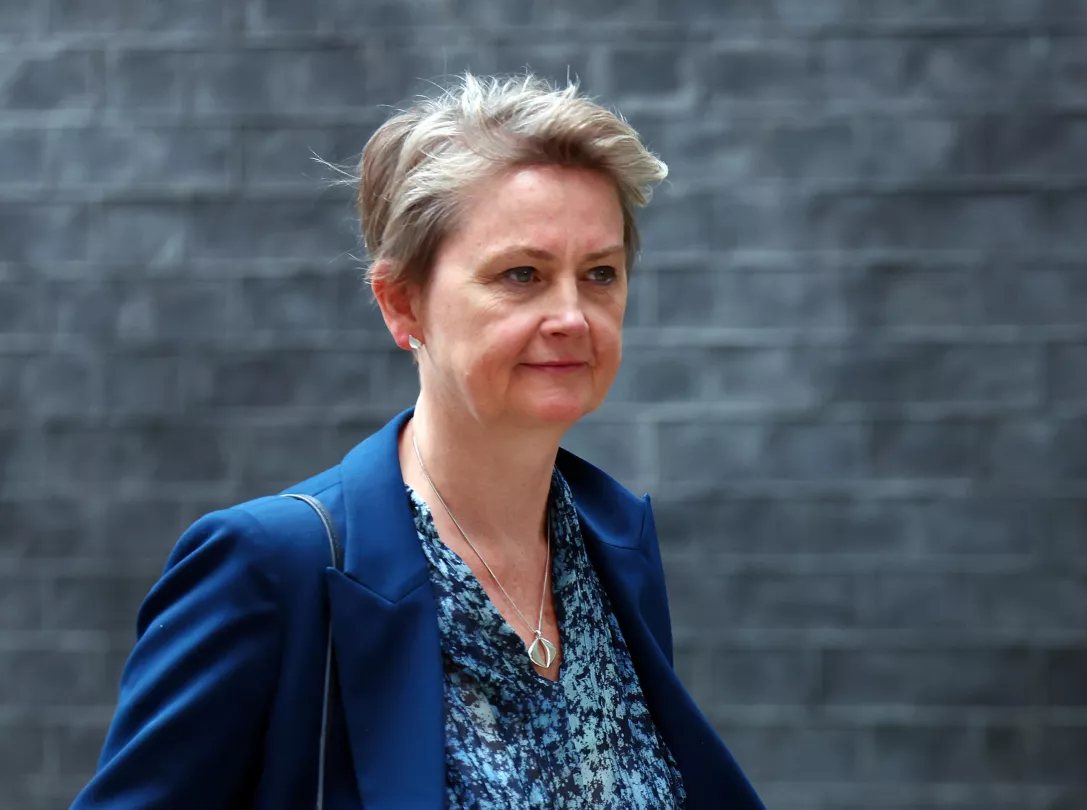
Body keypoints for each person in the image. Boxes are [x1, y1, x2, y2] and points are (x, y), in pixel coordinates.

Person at [71, 72, 764, 809]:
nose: (572, 316)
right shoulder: (269, 568)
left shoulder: (613, 542)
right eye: (522, 274)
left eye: (600, 274)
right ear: (402, 303)